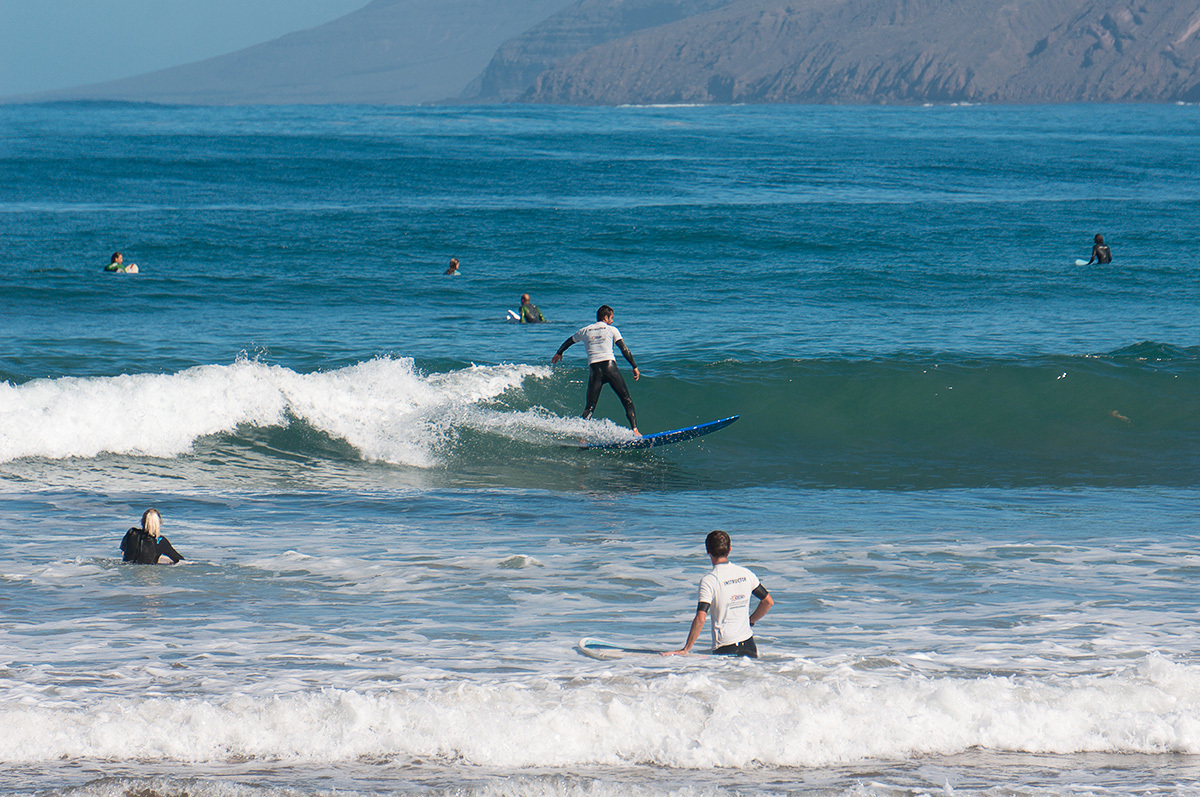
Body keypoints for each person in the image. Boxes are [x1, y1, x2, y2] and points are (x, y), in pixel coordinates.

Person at [665, 530, 774, 658]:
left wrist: (686, 648)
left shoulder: (709, 580)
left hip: (726, 646)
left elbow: (701, 617)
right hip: (749, 644)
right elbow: (768, 602)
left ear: (707, 551)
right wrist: (750, 621)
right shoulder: (746, 573)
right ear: (730, 549)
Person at [551, 304, 640, 435]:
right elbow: (624, 349)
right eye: (611, 318)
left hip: (595, 370)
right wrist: (634, 366)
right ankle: (635, 431)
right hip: (610, 368)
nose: (612, 321)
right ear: (605, 317)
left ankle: (582, 436)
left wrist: (559, 352)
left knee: (590, 406)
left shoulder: (585, 330)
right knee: (626, 399)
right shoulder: (612, 330)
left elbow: (569, 341)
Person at [120, 508, 184, 565]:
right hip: (147, 573)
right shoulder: (160, 540)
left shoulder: (132, 532)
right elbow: (179, 560)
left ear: (142, 521)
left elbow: (123, 551)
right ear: (159, 523)